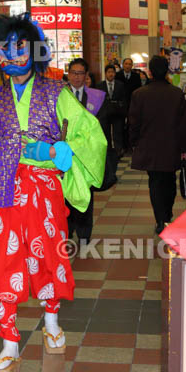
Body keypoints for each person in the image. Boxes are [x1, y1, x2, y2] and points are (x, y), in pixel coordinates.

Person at [0, 14, 105, 372]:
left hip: (44, 191)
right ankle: (10, 343)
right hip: (6, 191)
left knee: (47, 256)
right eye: (4, 49)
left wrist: (67, 151)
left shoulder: (57, 93)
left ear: (34, 52)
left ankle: (52, 325)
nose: (12, 56)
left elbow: (88, 131)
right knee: (2, 263)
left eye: (19, 47)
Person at [128, 55, 186, 235]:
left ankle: (160, 219)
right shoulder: (177, 94)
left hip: (149, 146)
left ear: (150, 72)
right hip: (172, 146)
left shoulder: (139, 94)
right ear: (167, 70)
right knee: (170, 181)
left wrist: (134, 143)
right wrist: (184, 150)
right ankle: (168, 215)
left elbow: (134, 123)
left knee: (154, 182)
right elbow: (183, 125)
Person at [63, 58, 110, 247]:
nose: (76, 77)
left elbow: (102, 125)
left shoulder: (96, 97)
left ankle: (84, 233)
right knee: (66, 194)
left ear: (86, 76)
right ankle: (67, 231)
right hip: (66, 155)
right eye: (73, 73)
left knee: (86, 194)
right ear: (68, 74)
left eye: (80, 73)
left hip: (86, 157)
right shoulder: (61, 97)